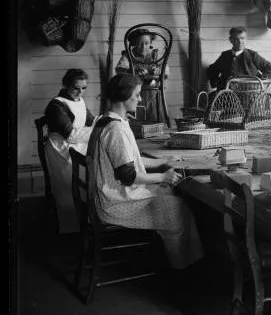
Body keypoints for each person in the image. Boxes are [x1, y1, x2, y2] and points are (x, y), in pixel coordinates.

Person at [87, 74, 204, 270]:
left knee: (167, 191)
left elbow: (130, 161)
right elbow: (128, 175)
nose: (140, 99)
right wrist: (163, 175)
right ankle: (183, 268)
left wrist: (163, 161)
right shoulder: (116, 130)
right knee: (178, 208)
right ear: (125, 97)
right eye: (137, 95)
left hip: (109, 196)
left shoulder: (106, 120)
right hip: (116, 203)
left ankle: (170, 255)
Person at [44, 69, 97, 234]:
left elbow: (91, 121)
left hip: (76, 146)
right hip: (60, 148)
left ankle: (88, 221)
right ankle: (71, 228)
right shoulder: (56, 105)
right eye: (76, 88)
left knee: (90, 178)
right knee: (68, 188)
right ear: (66, 85)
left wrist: (107, 120)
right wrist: (99, 129)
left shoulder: (79, 101)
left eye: (84, 88)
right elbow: (71, 135)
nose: (80, 92)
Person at [116, 28, 169, 123]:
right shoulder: (129, 55)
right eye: (140, 44)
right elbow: (119, 69)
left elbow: (166, 70)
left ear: (151, 43)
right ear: (134, 44)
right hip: (135, 91)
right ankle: (137, 125)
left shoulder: (155, 55)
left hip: (153, 90)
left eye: (146, 43)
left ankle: (155, 124)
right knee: (138, 111)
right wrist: (133, 70)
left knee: (153, 111)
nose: (143, 47)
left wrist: (159, 70)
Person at [207, 27, 271, 92]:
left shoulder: (252, 55)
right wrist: (218, 83)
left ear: (246, 39)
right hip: (228, 93)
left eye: (242, 38)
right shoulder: (225, 55)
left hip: (249, 92)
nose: (240, 42)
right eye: (236, 39)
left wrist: (261, 82)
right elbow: (212, 69)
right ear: (231, 40)